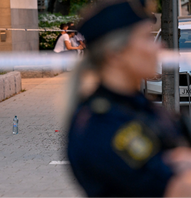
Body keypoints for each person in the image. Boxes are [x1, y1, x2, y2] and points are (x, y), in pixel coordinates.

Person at [66, 0, 191, 197]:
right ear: (115, 54)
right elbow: (176, 190)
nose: (160, 46)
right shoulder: (103, 124)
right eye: (147, 38)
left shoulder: (137, 105)